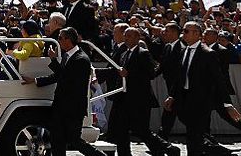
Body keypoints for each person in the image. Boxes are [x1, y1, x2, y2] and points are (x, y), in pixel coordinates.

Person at [22, 27, 106, 156]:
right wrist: (35, 80)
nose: (58, 41)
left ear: (69, 40)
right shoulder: (68, 56)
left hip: (73, 109)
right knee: (57, 140)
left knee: (74, 140)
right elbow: (57, 77)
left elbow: (66, 77)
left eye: (60, 38)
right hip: (61, 107)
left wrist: (53, 60)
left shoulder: (81, 59)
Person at [95, 27, 177, 156]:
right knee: (122, 130)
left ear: (137, 38)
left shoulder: (143, 53)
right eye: (125, 36)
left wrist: (129, 74)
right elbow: (117, 72)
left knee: (141, 130)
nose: (126, 39)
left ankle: (168, 148)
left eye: (129, 36)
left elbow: (151, 74)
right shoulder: (124, 54)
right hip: (124, 98)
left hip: (139, 99)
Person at [163, 22, 239, 156]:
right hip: (184, 100)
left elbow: (219, 80)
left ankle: (213, 150)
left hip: (201, 101)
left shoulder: (208, 54)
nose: (183, 34)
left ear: (197, 34)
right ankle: (218, 151)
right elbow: (180, 76)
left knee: (193, 136)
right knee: (195, 134)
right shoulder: (183, 51)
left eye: (186, 31)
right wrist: (172, 96)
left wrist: (227, 104)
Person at [153, 22, 183, 138]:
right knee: (174, 111)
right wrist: (151, 75)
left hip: (179, 86)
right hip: (170, 84)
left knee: (171, 111)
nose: (164, 33)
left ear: (175, 32)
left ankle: (161, 139)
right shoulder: (167, 47)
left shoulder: (181, 48)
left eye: (167, 30)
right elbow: (163, 65)